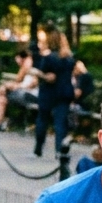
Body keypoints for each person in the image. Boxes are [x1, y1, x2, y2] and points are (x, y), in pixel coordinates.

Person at [32, 28, 75, 157]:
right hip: (64, 92)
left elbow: (48, 76)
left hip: (48, 93)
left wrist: (38, 73)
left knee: (42, 119)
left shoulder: (48, 58)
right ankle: (59, 150)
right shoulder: (69, 58)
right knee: (60, 122)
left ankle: (38, 148)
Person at [0, 49, 38, 127]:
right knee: (2, 98)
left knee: (3, 89)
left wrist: (15, 86)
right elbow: (18, 80)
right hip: (22, 93)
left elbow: (32, 84)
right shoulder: (25, 67)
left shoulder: (33, 68)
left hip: (29, 95)